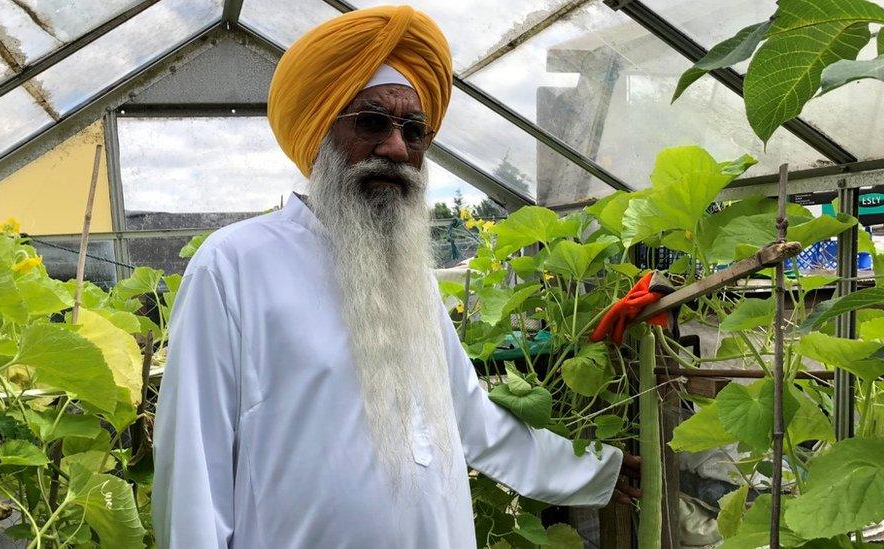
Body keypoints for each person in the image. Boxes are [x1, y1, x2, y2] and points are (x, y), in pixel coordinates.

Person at [152, 6, 639, 548]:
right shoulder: (233, 267)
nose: (396, 148)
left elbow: (472, 423)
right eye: (371, 122)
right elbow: (194, 476)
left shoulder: (412, 280)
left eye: (414, 130)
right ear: (318, 132)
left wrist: (599, 472)